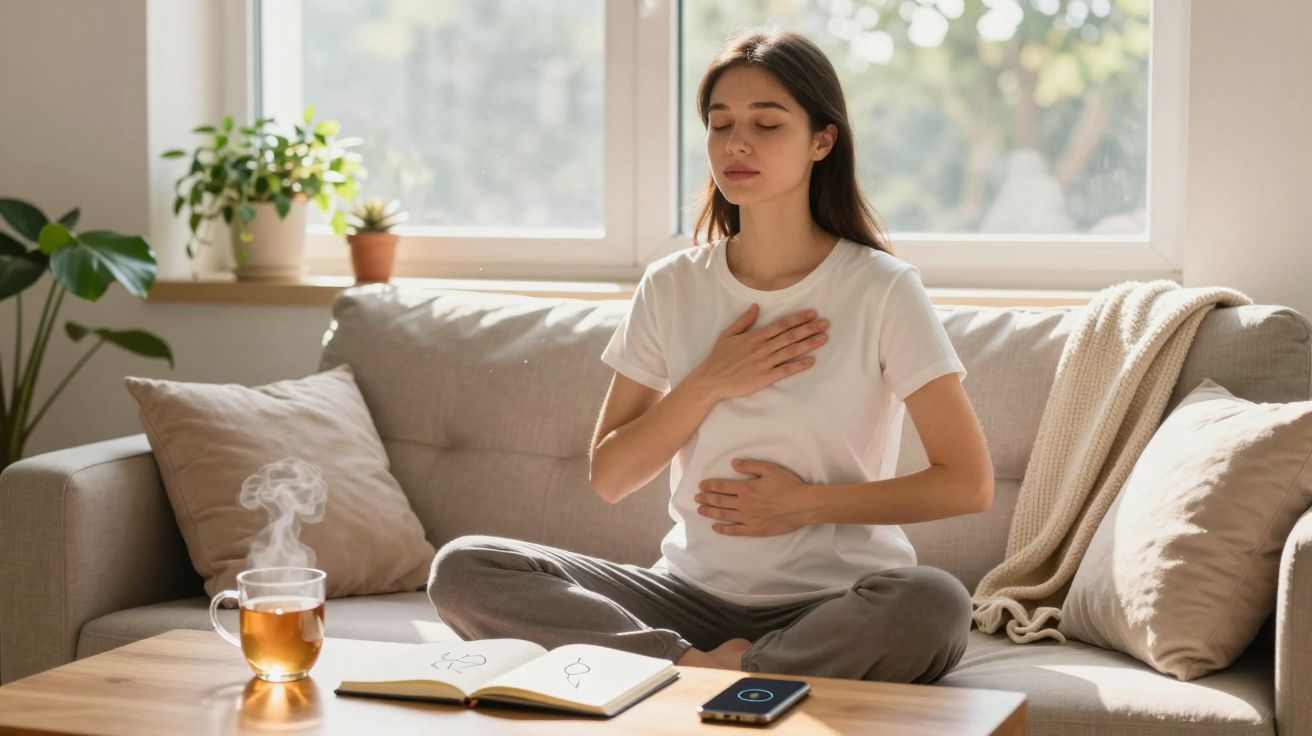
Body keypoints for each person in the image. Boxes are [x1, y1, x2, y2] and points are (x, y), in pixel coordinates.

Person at [428, 27, 993, 684]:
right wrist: (708, 383)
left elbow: (967, 482)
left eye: (766, 124)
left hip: (834, 603)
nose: (736, 144)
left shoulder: (882, 289)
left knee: (933, 604)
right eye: (720, 124)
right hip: (685, 597)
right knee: (465, 569)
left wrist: (802, 505)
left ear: (822, 141)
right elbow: (611, 476)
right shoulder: (673, 284)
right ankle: (703, 668)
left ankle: (703, 674)